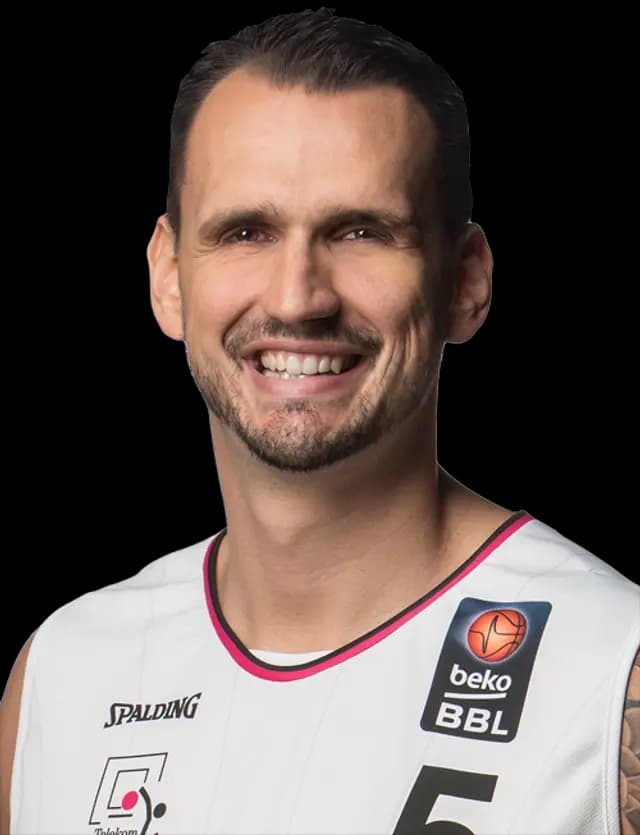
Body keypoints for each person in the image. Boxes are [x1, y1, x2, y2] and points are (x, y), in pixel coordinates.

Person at [1, 8, 638, 834]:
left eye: (361, 231)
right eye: (245, 231)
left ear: (465, 281)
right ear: (168, 277)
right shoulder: (63, 672)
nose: (298, 296)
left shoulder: (612, 670)